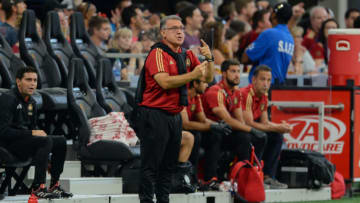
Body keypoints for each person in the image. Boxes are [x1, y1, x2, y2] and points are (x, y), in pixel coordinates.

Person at [135, 15, 214, 203]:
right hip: (154, 114)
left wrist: (209, 59)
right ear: (163, 32)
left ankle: (164, 200)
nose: (179, 31)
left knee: (168, 165)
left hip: (174, 115)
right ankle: (146, 200)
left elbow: (207, 79)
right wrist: (191, 75)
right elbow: (164, 82)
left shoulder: (186, 54)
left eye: (181, 28)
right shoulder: (158, 53)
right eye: (174, 28)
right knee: (150, 165)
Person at [0, 67, 72, 199]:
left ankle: (54, 185)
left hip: (24, 141)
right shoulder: (8, 99)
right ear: (18, 81)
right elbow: (3, 131)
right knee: (45, 141)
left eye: (35, 80)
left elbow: (32, 128)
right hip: (8, 144)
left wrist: (34, 135)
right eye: (28, 80)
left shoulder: (31, 102)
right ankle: (38, 186)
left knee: (60, 141)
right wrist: (32, 133)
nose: (32, 83)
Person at [201, 59, 267, 187]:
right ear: (224, 73)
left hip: (225, 131)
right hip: (207, 131)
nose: (237, 75)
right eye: (233, 71)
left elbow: (239, 120)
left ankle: (244, 176)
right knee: (217, 135)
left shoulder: (236, 92)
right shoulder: (216, 91)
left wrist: (249, 131)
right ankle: (210, 179)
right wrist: (252, 129)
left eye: (238, 71)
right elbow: (228, 120)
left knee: (247, 137)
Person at [240, 65, 292, 189]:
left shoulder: (264, 95)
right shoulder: (246, 94)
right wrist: (277, 127)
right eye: (263, 79)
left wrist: (281, 127)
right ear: (254, 80)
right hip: (240, 130)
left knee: (276, 136)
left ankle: (268, 177)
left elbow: (265, 122)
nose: (266, 84)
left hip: (252, 128)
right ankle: (254, 176)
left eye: (268, 80)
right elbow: (249, 123)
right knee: (260, 136)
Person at [180, 77, 231, 186]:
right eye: (204, 82)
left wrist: (216, 125)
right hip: (176, 132)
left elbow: (203, 119)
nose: (207, 85)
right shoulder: (182, 96)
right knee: (196, 135)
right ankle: (191, 177)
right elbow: (185, 124)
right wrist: (212, 126)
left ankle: (210, 178)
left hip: (191, 132)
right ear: (195, 83)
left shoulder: (197, 97)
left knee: (215, 135)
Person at [241, 2, 294, 85]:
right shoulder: (290, 38)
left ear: (273, 15)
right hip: (279, 87)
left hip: (262, 87)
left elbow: (245, 57)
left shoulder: (269, 34)